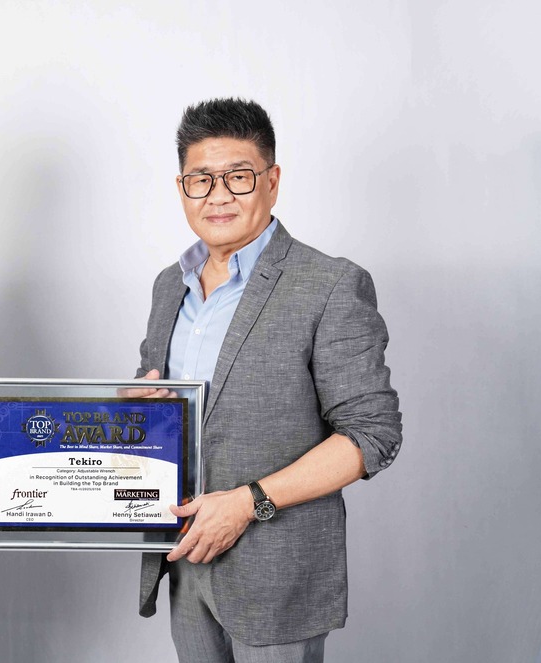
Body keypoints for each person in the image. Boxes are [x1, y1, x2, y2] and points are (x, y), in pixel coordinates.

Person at [134, 98, 402, 662]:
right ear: (182, 188)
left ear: (272, 182)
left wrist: (247, 503)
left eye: (238, 176)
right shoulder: (168, 286)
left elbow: (372, 435)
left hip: (277, 573)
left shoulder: (330, 284)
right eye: (201, 180)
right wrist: (137, 408)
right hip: (182, 561)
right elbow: (158, 401)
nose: (218, 195)